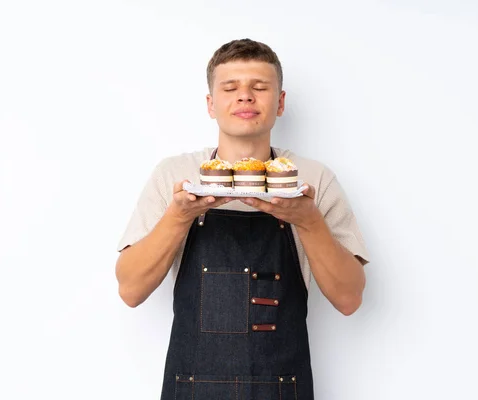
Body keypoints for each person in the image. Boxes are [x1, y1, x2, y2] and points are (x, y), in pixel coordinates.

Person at [115, 38, 370, 400]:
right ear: (211, 104)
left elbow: (349, 299)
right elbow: (130, 289)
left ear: (280, 103)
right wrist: (179, 215)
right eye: (230, 87)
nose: (245, 97)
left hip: (282, 389)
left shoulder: (310, 179)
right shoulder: (178, 175)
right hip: (192, 388)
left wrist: (309, 221)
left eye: (260, 87)